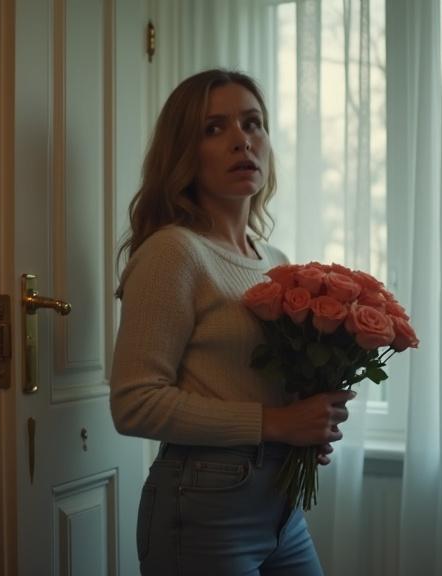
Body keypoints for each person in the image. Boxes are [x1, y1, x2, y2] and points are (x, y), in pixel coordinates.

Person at [110, 69, 355, 576]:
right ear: (183, 152)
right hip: (204, 506)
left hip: (282, 508)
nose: (242, 140)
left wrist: (309, 418)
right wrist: (278, 423)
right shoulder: (173, 252)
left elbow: (252, 382)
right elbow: (134, 403)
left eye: (253, 123)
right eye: (214, 128)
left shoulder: (275, 261)